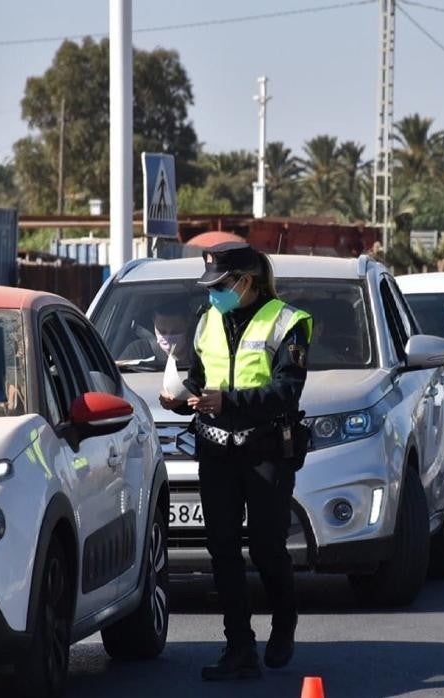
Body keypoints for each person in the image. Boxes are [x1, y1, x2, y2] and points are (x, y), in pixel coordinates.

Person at [159, 241, 312, 681]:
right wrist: (178, 399)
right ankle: (239, 647)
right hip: (215, 451)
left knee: (266, 547)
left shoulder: (289, 323)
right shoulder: (207, 320)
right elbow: (195, 380)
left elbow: (286, 391)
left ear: (246, 282)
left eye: (220, 286)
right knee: (222, 550)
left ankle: (283, 625)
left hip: (265, 451)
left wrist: (227, 401)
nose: (213, 295)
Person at [121, 300, 192, 364]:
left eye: (175, 332)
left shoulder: (200, 351)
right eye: (162, 332)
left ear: (188, 321)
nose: (168, 338)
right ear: (154, 321)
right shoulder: (137, 351)